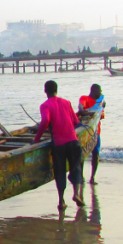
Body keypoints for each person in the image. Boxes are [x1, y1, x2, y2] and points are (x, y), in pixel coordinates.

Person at [34, 80, 83, 209]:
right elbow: (76, 121)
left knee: (60, 171)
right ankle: (76, 194)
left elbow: (45, 120)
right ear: (57, 90)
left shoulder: (45, 105)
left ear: (45, 91)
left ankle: (61, 201)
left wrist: (37, 138)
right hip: (73, 140)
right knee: (76, 167)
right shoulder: (66, 102)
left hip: (59, 143)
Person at [78, 84, 105, 184]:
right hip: (85, 131)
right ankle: (81, 175)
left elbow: (101, 117)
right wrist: (85, 111)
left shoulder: (100, 103)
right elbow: (81, 107)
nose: (101, 93)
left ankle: (92, 177)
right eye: (100, 91)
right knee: (83, 153)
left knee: (96, 153)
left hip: (96, 132)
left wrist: (101, 108)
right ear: (94, 91)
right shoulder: (85, 98)